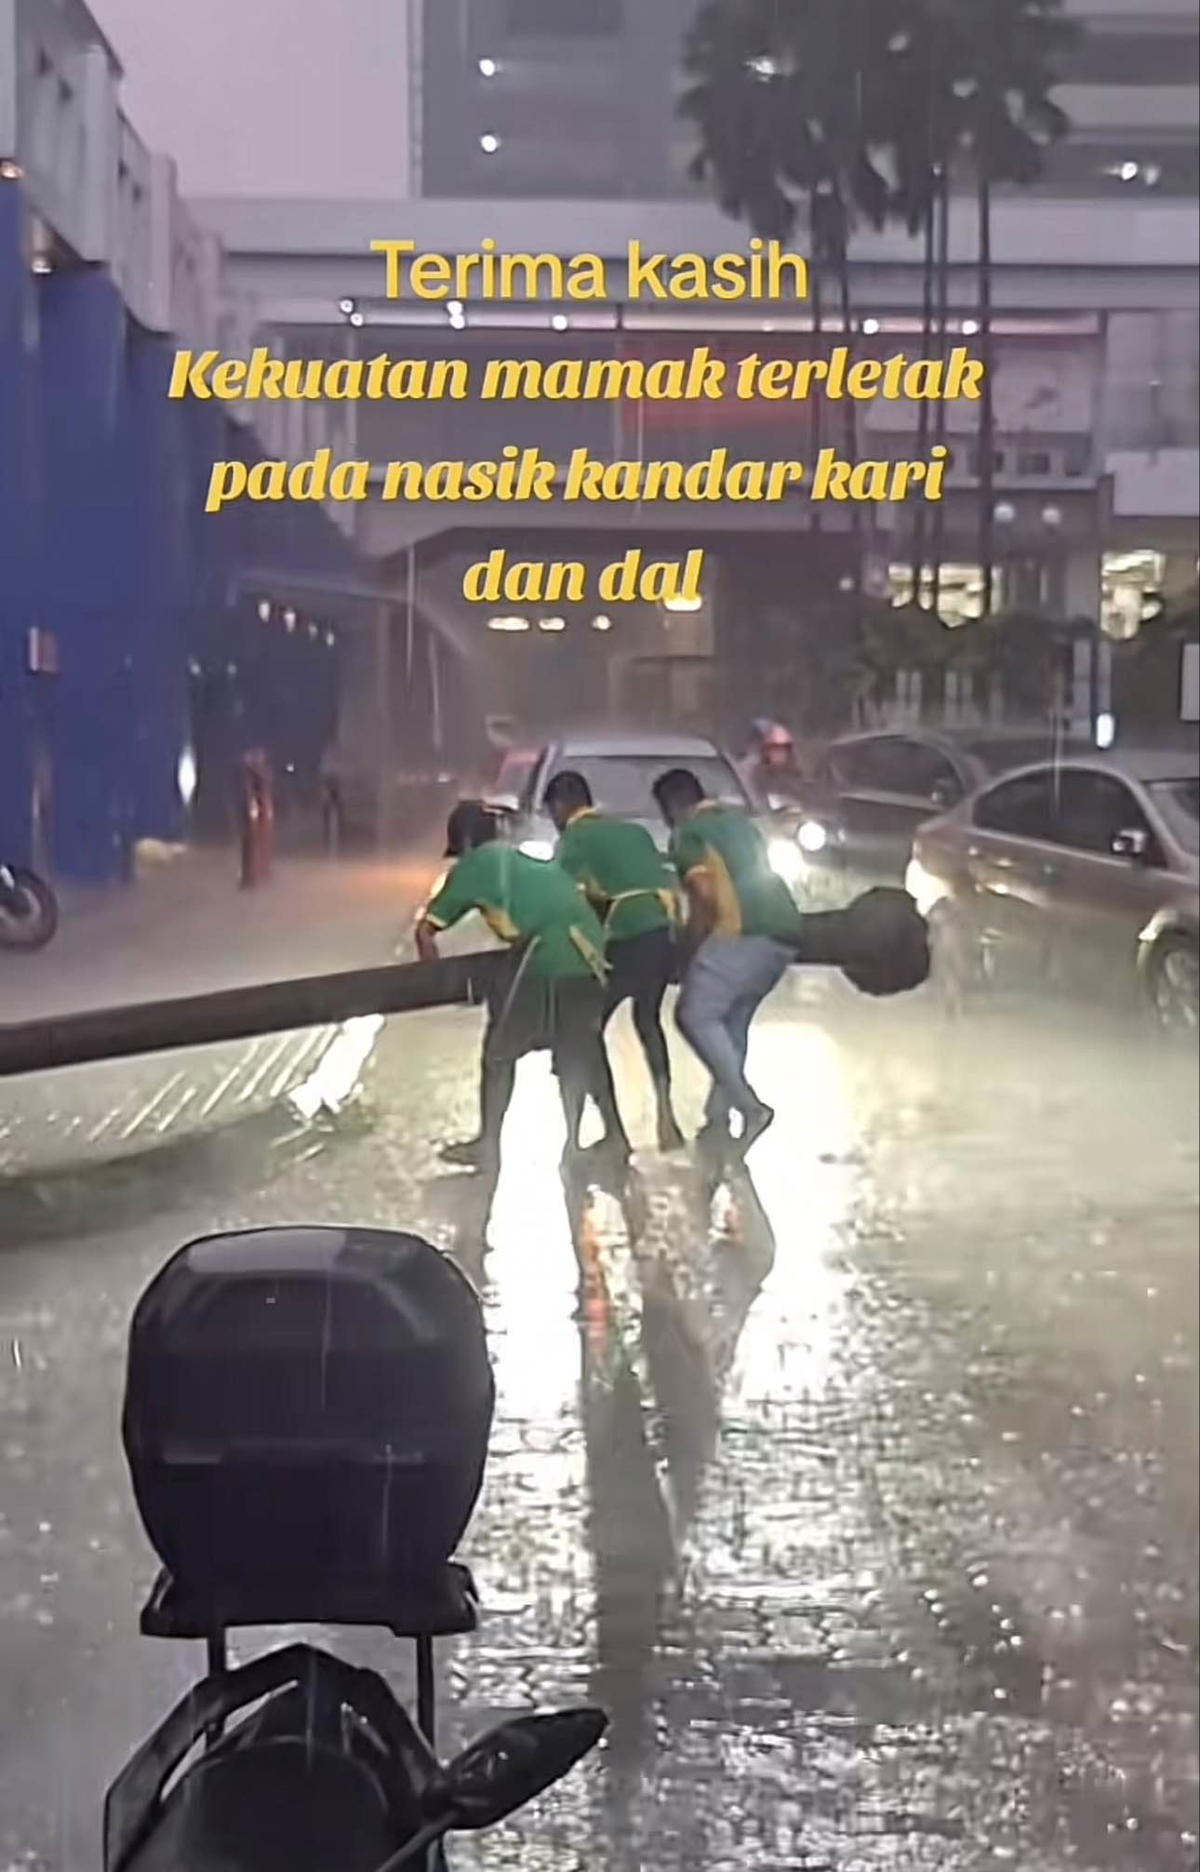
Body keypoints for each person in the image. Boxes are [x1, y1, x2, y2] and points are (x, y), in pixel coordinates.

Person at [415, 799, 630, 1172]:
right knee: (582, 1048)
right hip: (591, 955)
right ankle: (612, 1137)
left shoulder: (474, 866)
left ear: (464, 843)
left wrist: (433, 979)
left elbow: (426, 930)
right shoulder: (521, 861)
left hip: (549, 956)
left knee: (499, 1053)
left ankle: (488, 1145)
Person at [653, 766, 803, 1156]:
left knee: (694, 1015)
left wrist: (688, 947)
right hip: (786, 932)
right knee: (732, 1019)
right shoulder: (740, 824)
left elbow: (704, 895)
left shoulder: (688, 835)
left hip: (742, 932)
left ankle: (749, 1107)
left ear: (672, 806)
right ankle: (718, 1115)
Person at [544, 770, 686, 1154]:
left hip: (622, 940)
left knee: (581, 1034)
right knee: (647, 1021)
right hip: (661, 936)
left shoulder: (574, 839)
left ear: (559, 807)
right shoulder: (635, 832)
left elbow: (561, 902)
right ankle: (666, 1115)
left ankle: (602, 1135)